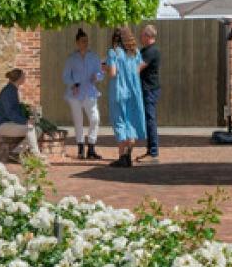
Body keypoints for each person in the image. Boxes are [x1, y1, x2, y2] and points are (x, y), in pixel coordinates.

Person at [105, 26, 147, 169]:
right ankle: (128, 156)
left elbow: (112, 73)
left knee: (120, 123)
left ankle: (122, 157)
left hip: (118, 91)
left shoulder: (113, 52)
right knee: (131, 123)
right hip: (134, 92)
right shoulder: (136, 53)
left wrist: (104, 68)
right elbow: (138, 69)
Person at [62, 29, 104, 160]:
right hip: (75, 93)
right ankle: (80, 148)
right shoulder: (71, 58)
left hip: (90, 91)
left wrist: (96, 77)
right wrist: (73, 84)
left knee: (95, 118)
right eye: (82, 41)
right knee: (78, 120)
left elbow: (101, 73)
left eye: (86, 41)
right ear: (77, 42)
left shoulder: (94, 57)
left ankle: (91, 146)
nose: (85, 43)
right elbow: (65, 76)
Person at [0, 67, 40, 160]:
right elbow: (10, 113)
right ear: (19, 78)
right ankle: (36, 155)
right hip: (2, 125)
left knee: (38, 130)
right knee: (30, 128)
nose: (25, 78)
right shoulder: (8, 91)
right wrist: (25, 121)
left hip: (10, 124)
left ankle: (16, 153)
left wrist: (27, 118)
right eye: (24, 76)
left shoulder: (13, 89)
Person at [138, 23, 162, 160]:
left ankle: (153, 152)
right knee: (148, 119)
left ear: (148, 36)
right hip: (146, 89)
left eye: (142, 35)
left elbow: (138, 67)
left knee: (150, 120)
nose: (141, 37)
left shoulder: (152, 51)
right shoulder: (145, 50)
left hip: (150, 90)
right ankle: (150, 150)